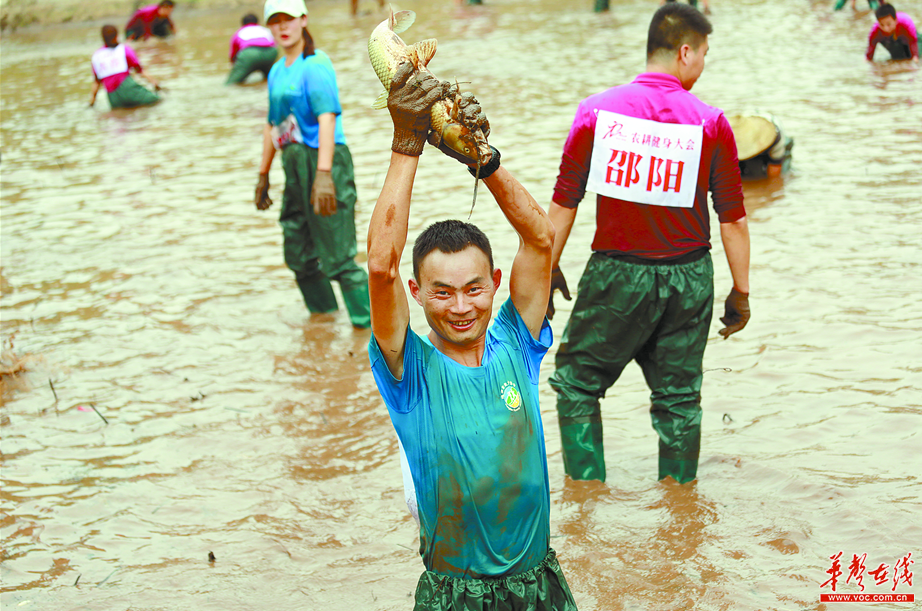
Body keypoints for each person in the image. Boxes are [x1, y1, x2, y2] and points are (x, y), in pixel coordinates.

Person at [366, 62, 578, 609]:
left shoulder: (516, 340)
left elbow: (540, 237)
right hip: (457, 593)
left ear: (496, 284)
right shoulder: (408, 372)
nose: (461, 307)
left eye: (474, 289)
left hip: (538, 582)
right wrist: (406, 143)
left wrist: (484, 161)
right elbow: (381, 266)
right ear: (417, 292)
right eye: (442, 292)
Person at [546, 3, 750, 485]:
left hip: (617, 276)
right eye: (703, 54)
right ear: (685, 52)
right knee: (679, 400)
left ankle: (587, 499)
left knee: (576, 385)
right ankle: (680, 512)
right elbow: (733, 219)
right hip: (690, 277)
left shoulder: (596, 112)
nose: (702, 64)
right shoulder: (711, 122)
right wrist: (740, 292)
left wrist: (548, 266)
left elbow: (564, 203)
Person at [255, 0, 370, 328]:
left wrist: (323, 174)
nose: (282, 26)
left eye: (288, 19)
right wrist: (263, 173)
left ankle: (370, 334)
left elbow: (326, 118)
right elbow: (272, 125)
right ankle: (324, 320)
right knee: (298, 252)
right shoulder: (277, 70)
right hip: (292, 163)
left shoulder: (316, 65)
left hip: (325, 160)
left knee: (338, 256)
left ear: (303, 20)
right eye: (275, 21)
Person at [89, 25, 161, 109]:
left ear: (103, 38)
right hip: (129, 89)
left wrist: (92, 101)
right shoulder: (124, 50)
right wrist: (155, 83)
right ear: (117, 36)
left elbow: (96, 82)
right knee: (158, 101)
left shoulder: (97, 56)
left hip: (113, 97)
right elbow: (140, 71)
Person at [227, 13, 278, 85]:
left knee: (231, 84)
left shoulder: (239, 32)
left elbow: (233, 54)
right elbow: (275, 44)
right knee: (270, 78)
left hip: (250, 55)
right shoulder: (265, 30)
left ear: (242, 24)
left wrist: (236, 66)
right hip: (270, 52)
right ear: (257, 22)